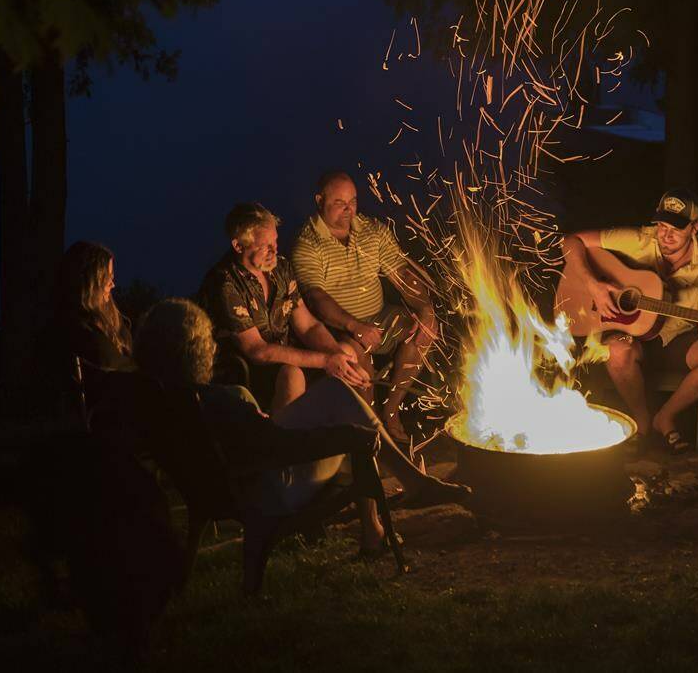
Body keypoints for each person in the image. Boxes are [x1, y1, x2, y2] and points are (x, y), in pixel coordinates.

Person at [134, 298, 470, 555]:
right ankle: (407, 492)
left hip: (227, 489)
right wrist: (340, 436)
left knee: (336, 398)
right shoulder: (229, 399)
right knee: (346, 412)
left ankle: (400, 498)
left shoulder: (161, 406)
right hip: (271, 493)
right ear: (199, 349)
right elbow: (279, 447)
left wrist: (261, 423)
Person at [560, 188, 698, 453]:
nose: (665, 235)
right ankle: (641, 422)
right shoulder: (639, 239)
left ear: (695, 227)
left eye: (676, 229)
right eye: (662, 225)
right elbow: (571, 241)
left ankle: (665, 417)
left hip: (676, 340)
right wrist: (593, 285)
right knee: (618, 351)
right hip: (630, 334)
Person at [291, 171, 438, 444]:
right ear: (319, 200)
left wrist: (426, 309)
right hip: (339, 329)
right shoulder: (308, 244)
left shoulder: (372, 231)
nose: (349, 210)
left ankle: (391, 411)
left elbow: (402, 274)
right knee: (357, 361)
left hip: (379, 318)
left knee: (421, 328)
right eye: (339, 203)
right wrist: (354, 326)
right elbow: (317, 298)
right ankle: (371, 432)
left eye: (353, 201)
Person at [199, 202, 366, 415]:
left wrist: (337, 356)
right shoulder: (225, 284)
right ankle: (280, 443)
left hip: (283, 355)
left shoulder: (281, 268)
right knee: (292, 374)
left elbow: (307, 325)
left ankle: (338, 436)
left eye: (275, 241)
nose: (274, 251)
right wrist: (325, 361)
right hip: (244, 371)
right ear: (238, 246)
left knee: (346, 353)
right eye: (263, 246)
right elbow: (256, 351)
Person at [56, 240, 135, 372]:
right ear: (92, 282)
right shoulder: (85, 335)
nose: (113, 284)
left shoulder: (112, 322)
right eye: (108, 277)